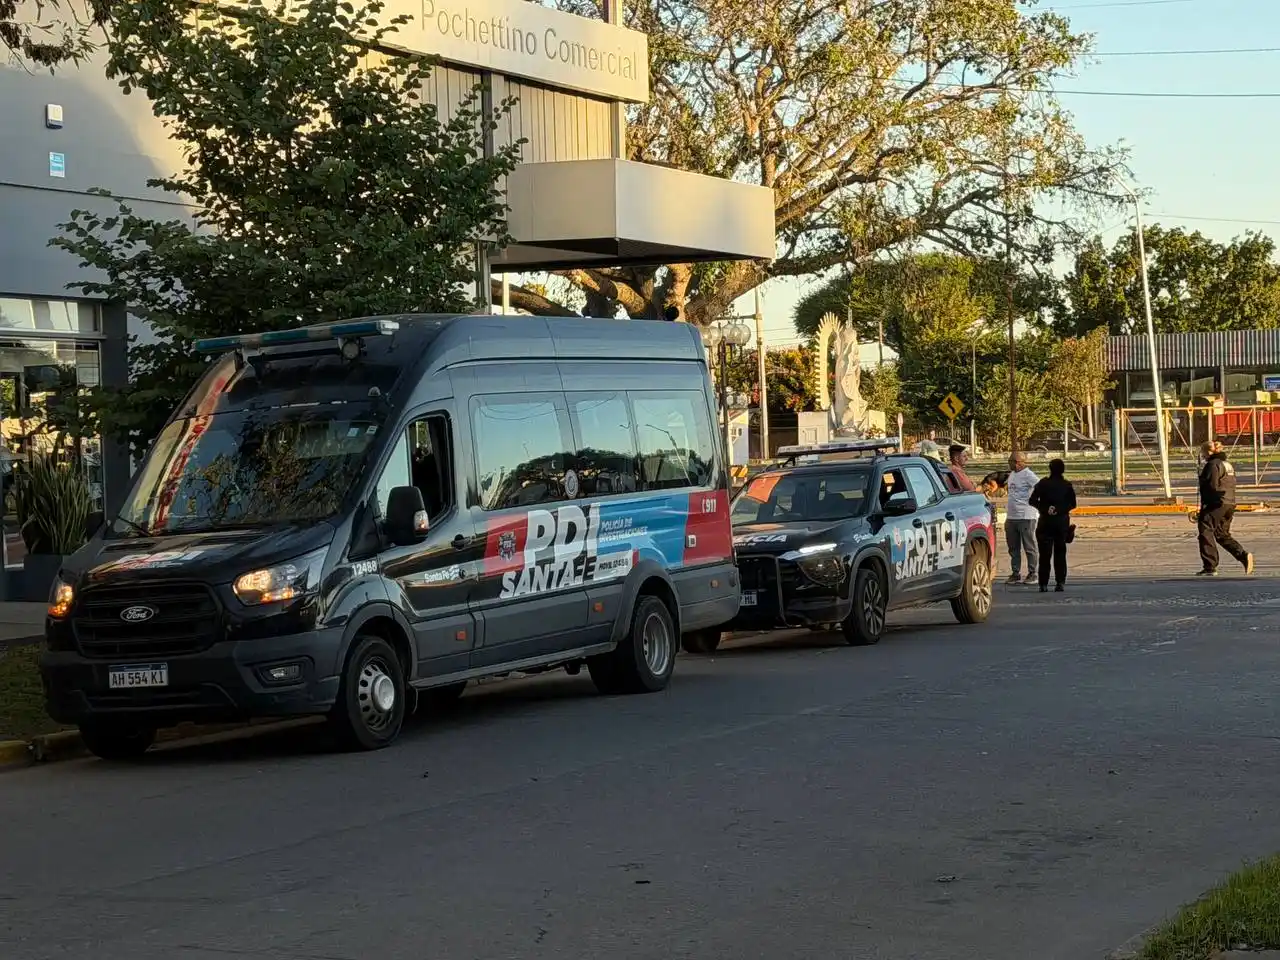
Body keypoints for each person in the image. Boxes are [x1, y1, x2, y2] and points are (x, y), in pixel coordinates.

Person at [1196, 440, 1254, 577]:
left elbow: (1211, 487)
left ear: (1207, 452)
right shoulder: (1227, 464)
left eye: (1203, 452)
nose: (1202, 455)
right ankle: (1243, 555)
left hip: (1216, 503)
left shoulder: (1212, 465)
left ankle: (1210, 567)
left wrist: (1204, 507)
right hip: (1229, 503)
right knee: (1222, 534)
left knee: (1205, 531)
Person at [1029, 458, 1076, 592]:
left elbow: (1032, 500)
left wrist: (1045, 509)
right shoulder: (1067, 485)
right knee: (1060, 553)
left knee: (1044, 554)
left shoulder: (1043, 484)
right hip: (1061, 524)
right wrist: (1059, 510)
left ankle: (1043, 584)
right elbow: (1072, 504)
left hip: (1045, 523)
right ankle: (1060, 582)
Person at [1004, 452, 1039, 585]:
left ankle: (1032, 573)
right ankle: (1015, 573)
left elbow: (1040, 487)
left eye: (1010, 462)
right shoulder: (1013, 474)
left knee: (1029, 546)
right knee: (1013, 547)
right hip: (1012, 516)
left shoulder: (1029, 475)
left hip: (1026, 516)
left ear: (1018, 462)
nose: (1009, 464)